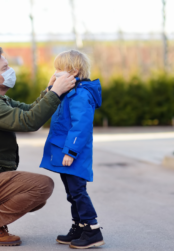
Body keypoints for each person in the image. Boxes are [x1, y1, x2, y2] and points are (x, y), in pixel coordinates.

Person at [0, 47, 76, 246]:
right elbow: (29, 122)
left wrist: (48, 91)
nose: (11, 71)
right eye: (5, 68)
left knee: (36, 197)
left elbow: (28, 110)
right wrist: (56, 93)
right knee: (42, 186)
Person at [40, 50, 104, 249]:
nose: (56, 72)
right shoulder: (68, 92)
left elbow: (81, 125)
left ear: (74, 71)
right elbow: (47, 106)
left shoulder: (80, 94)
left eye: (59, 69)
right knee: (71, 192)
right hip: (65, 152)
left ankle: (92, 229)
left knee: (78, 191)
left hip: (74, 154)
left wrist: (71, 151)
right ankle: (78, 226)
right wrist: (51, 87)